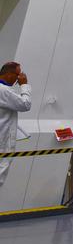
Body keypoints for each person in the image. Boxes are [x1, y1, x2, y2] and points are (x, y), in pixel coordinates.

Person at [0, 61, 31, 191]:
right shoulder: (4, 91)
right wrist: (25, 85)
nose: (19, 78)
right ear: (9, 74)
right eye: (18, 75)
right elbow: (25, 104)